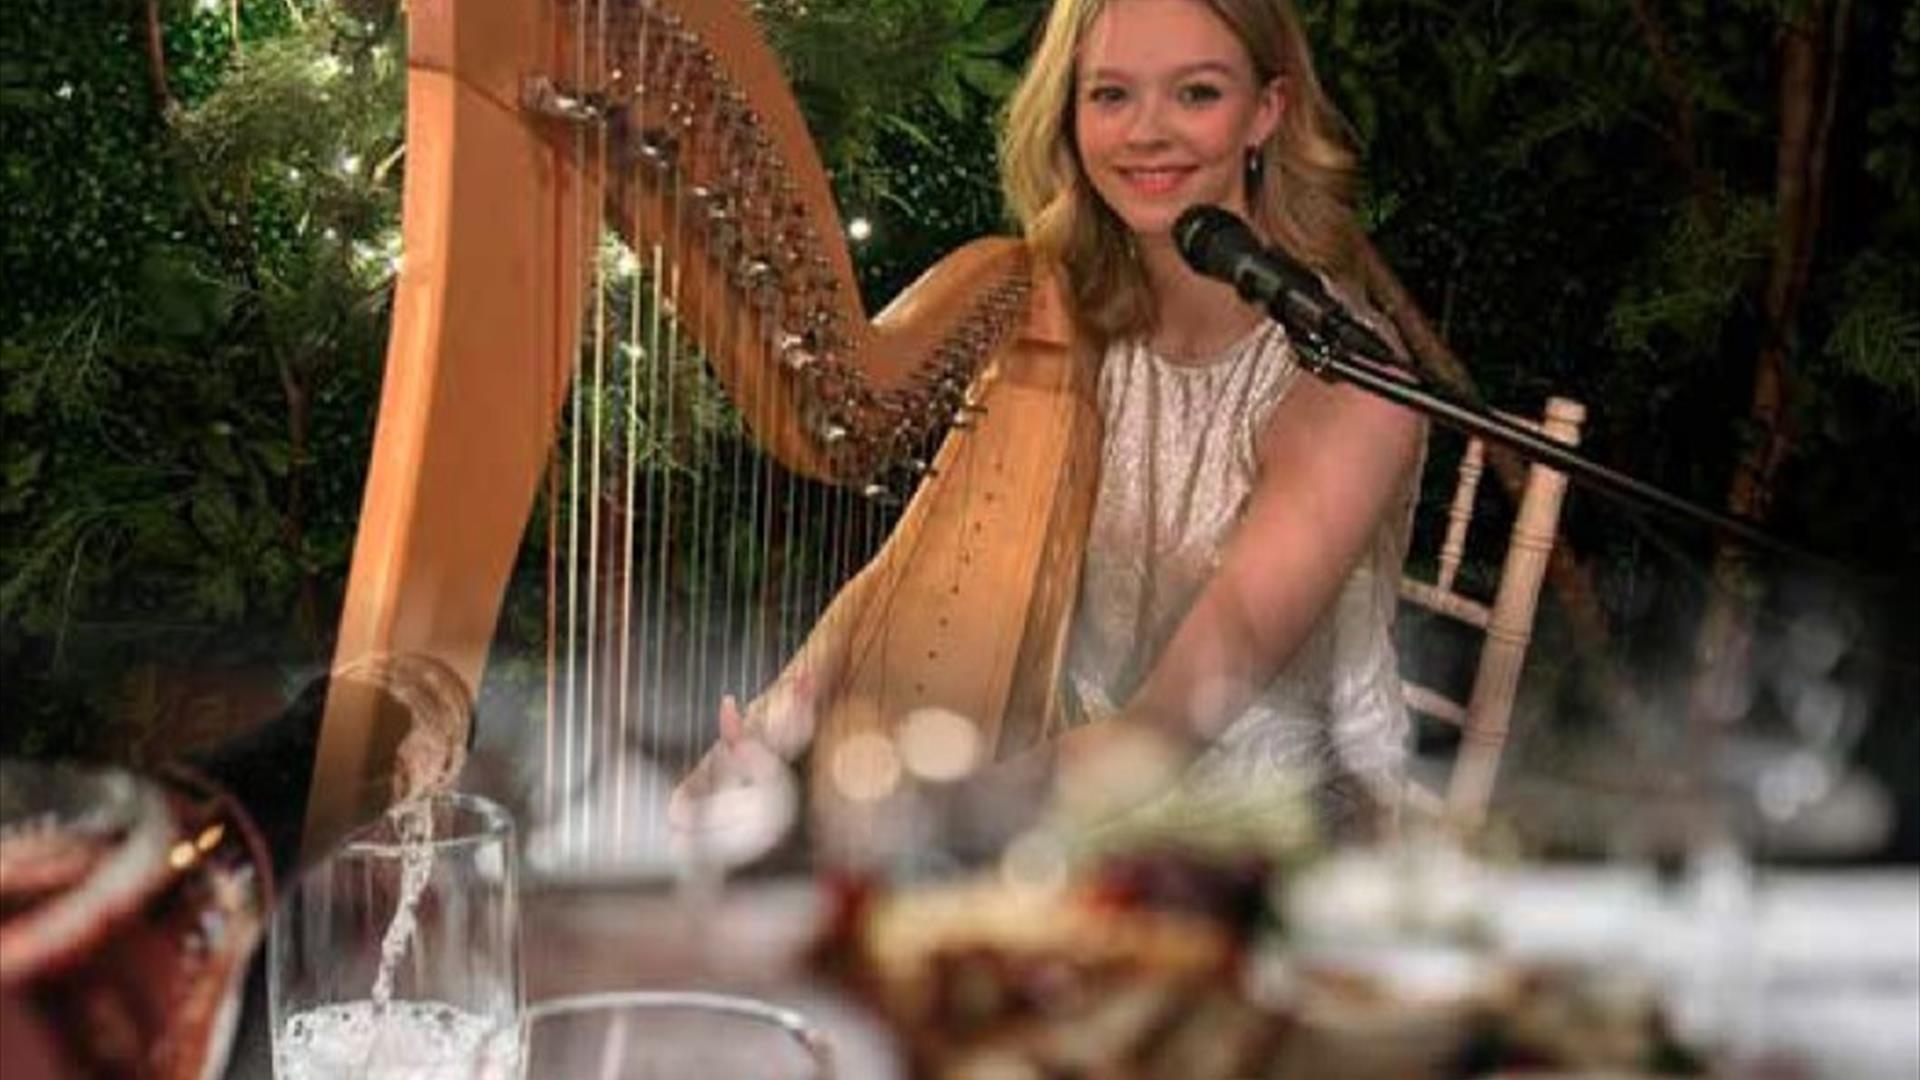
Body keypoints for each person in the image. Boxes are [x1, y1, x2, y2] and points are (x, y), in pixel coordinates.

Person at [674, 0, 1425, 840]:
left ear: (1266, 111)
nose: (1147, 132)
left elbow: (1165, 734)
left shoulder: (1347, 388)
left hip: (1280, 846)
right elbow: (893, 572)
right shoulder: (1063, 320)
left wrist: (868, 810)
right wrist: (777, 730)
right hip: (1082, 799)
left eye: (1197, 93)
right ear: (1068, 116)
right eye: (1111, 95)